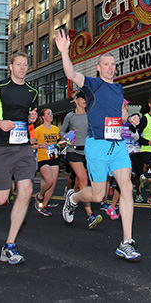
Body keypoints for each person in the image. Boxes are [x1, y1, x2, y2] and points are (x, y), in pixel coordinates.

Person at [55, 29, 140, 261]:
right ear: (99, 68)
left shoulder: (119, 88)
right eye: (106, 64)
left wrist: (128, 117)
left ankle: (126, 242)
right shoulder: (92, 84)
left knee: (127, 188)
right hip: (97, 147)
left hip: (118, 146)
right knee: (98, 195)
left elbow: (118, 116)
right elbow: (71, 74)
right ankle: (72, 199)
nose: (111, 67)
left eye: (113, 64)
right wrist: (64, 52)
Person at [0, 51, 39, 265]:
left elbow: (29, 114)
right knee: (2, 198)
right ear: (10, 66)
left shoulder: (32, 91)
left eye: (25, 64)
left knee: (26, 190)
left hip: (22, 147)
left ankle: (9, 245)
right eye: (18, 64)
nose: (22, 68)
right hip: (0, 146)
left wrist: (32, 116)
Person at [60, 91, 101, 228]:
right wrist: (66, 137)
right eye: (82, 98)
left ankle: (71, 202)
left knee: (79, 182)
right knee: (83, 179)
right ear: (76, 100)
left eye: (86, 98)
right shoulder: (70, 116)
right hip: (74, 151)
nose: (84, 100)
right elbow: (61, 131)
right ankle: (90, 215)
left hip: (88, 152)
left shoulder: (90, 115)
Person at [32, 107, 61, 216]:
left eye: (51, 114)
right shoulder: (38, 130)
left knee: (53, 184)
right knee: (49, 180)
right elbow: (30, 145)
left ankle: (42, 206)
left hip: (54, 157)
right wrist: (40, 145)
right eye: (48, 114)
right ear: (43, 117)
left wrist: (66, 140)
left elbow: (60, 142)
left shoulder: (56, 129)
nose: (51, 115)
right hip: (43, 158)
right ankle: (40, 195)